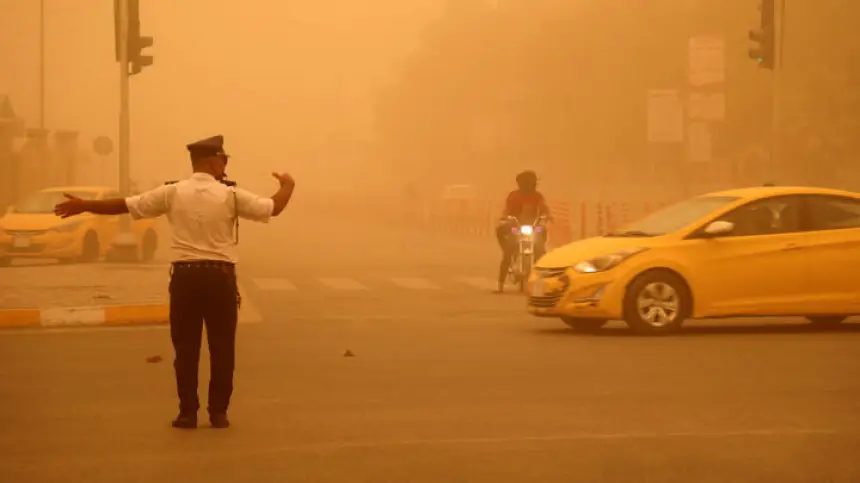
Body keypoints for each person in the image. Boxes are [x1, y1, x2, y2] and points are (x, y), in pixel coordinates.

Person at [54, 135, 295, 429]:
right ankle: (218, 413)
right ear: (212, 161)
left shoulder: (172, 193)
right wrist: (288, 186)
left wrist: (84, 205)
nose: (226, 166)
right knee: (222, 348)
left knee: (186, 349)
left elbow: (127, 205)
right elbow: (273, 207)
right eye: (224, 160)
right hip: (219, 278)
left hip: (186, 278)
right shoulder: (231, 196)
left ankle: (187, 413)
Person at [495, 170, 551, 293]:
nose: (529, 185)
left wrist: (547, 216)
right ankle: (500, 283)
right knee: (508, 252)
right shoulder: (513, 196)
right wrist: (507, 218)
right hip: (515, 226)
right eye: (526, 183)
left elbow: (543, 208)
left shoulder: (538, 196)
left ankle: (542, 280)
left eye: (531, 182)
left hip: (534, 226)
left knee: (541, 250)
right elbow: (508, 211)